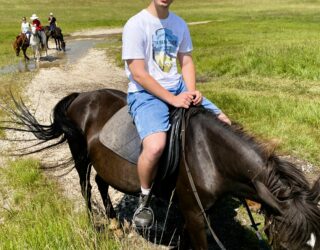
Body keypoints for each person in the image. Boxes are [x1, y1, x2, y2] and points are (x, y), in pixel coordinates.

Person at [122, 0, 231, 228]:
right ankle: (144, 198)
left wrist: (191, 92)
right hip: (145, 93)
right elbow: (139, 74)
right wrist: (172, 100)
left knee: (224, 123)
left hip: (178, 88)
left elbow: (187, 62)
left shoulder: (179, 24)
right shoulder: (135, 25)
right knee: (155, 147)